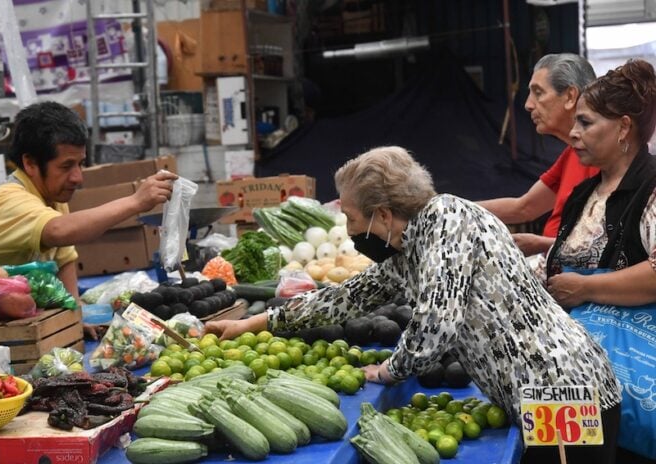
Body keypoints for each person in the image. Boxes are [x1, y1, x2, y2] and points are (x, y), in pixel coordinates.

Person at [206, 146, 621, 464]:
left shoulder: (448, 219)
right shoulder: (410, 250)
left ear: (382, 214)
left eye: (351, 218)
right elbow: (344, 298)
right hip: (536, 393)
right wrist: (256, 322)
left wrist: (391, 370)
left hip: (561, 389)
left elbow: (435, 325)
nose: (349, 230)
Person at [0, 101, 176, 332]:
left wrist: (73, 321)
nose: (78, 177)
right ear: (30, 163)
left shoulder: (52, 197)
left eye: (80, 164)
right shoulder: (9, 199)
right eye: (66, 166)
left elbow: (65, 261)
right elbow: (58, 231)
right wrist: (135, 202)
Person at [545, 59, 656, 308]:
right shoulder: (583, 194)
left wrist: (587, 288)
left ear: (623, 127)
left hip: (628, 341)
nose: (573, 132)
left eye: (585, 122)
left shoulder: (650, 186)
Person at [479, 53, 599, 256]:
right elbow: (524, 207)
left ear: (570, 97)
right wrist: (453, 207)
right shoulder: (571, 155)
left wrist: (542, 244)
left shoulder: (604, 159)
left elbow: (602, 243)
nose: (528, 104)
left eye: (538, 93)